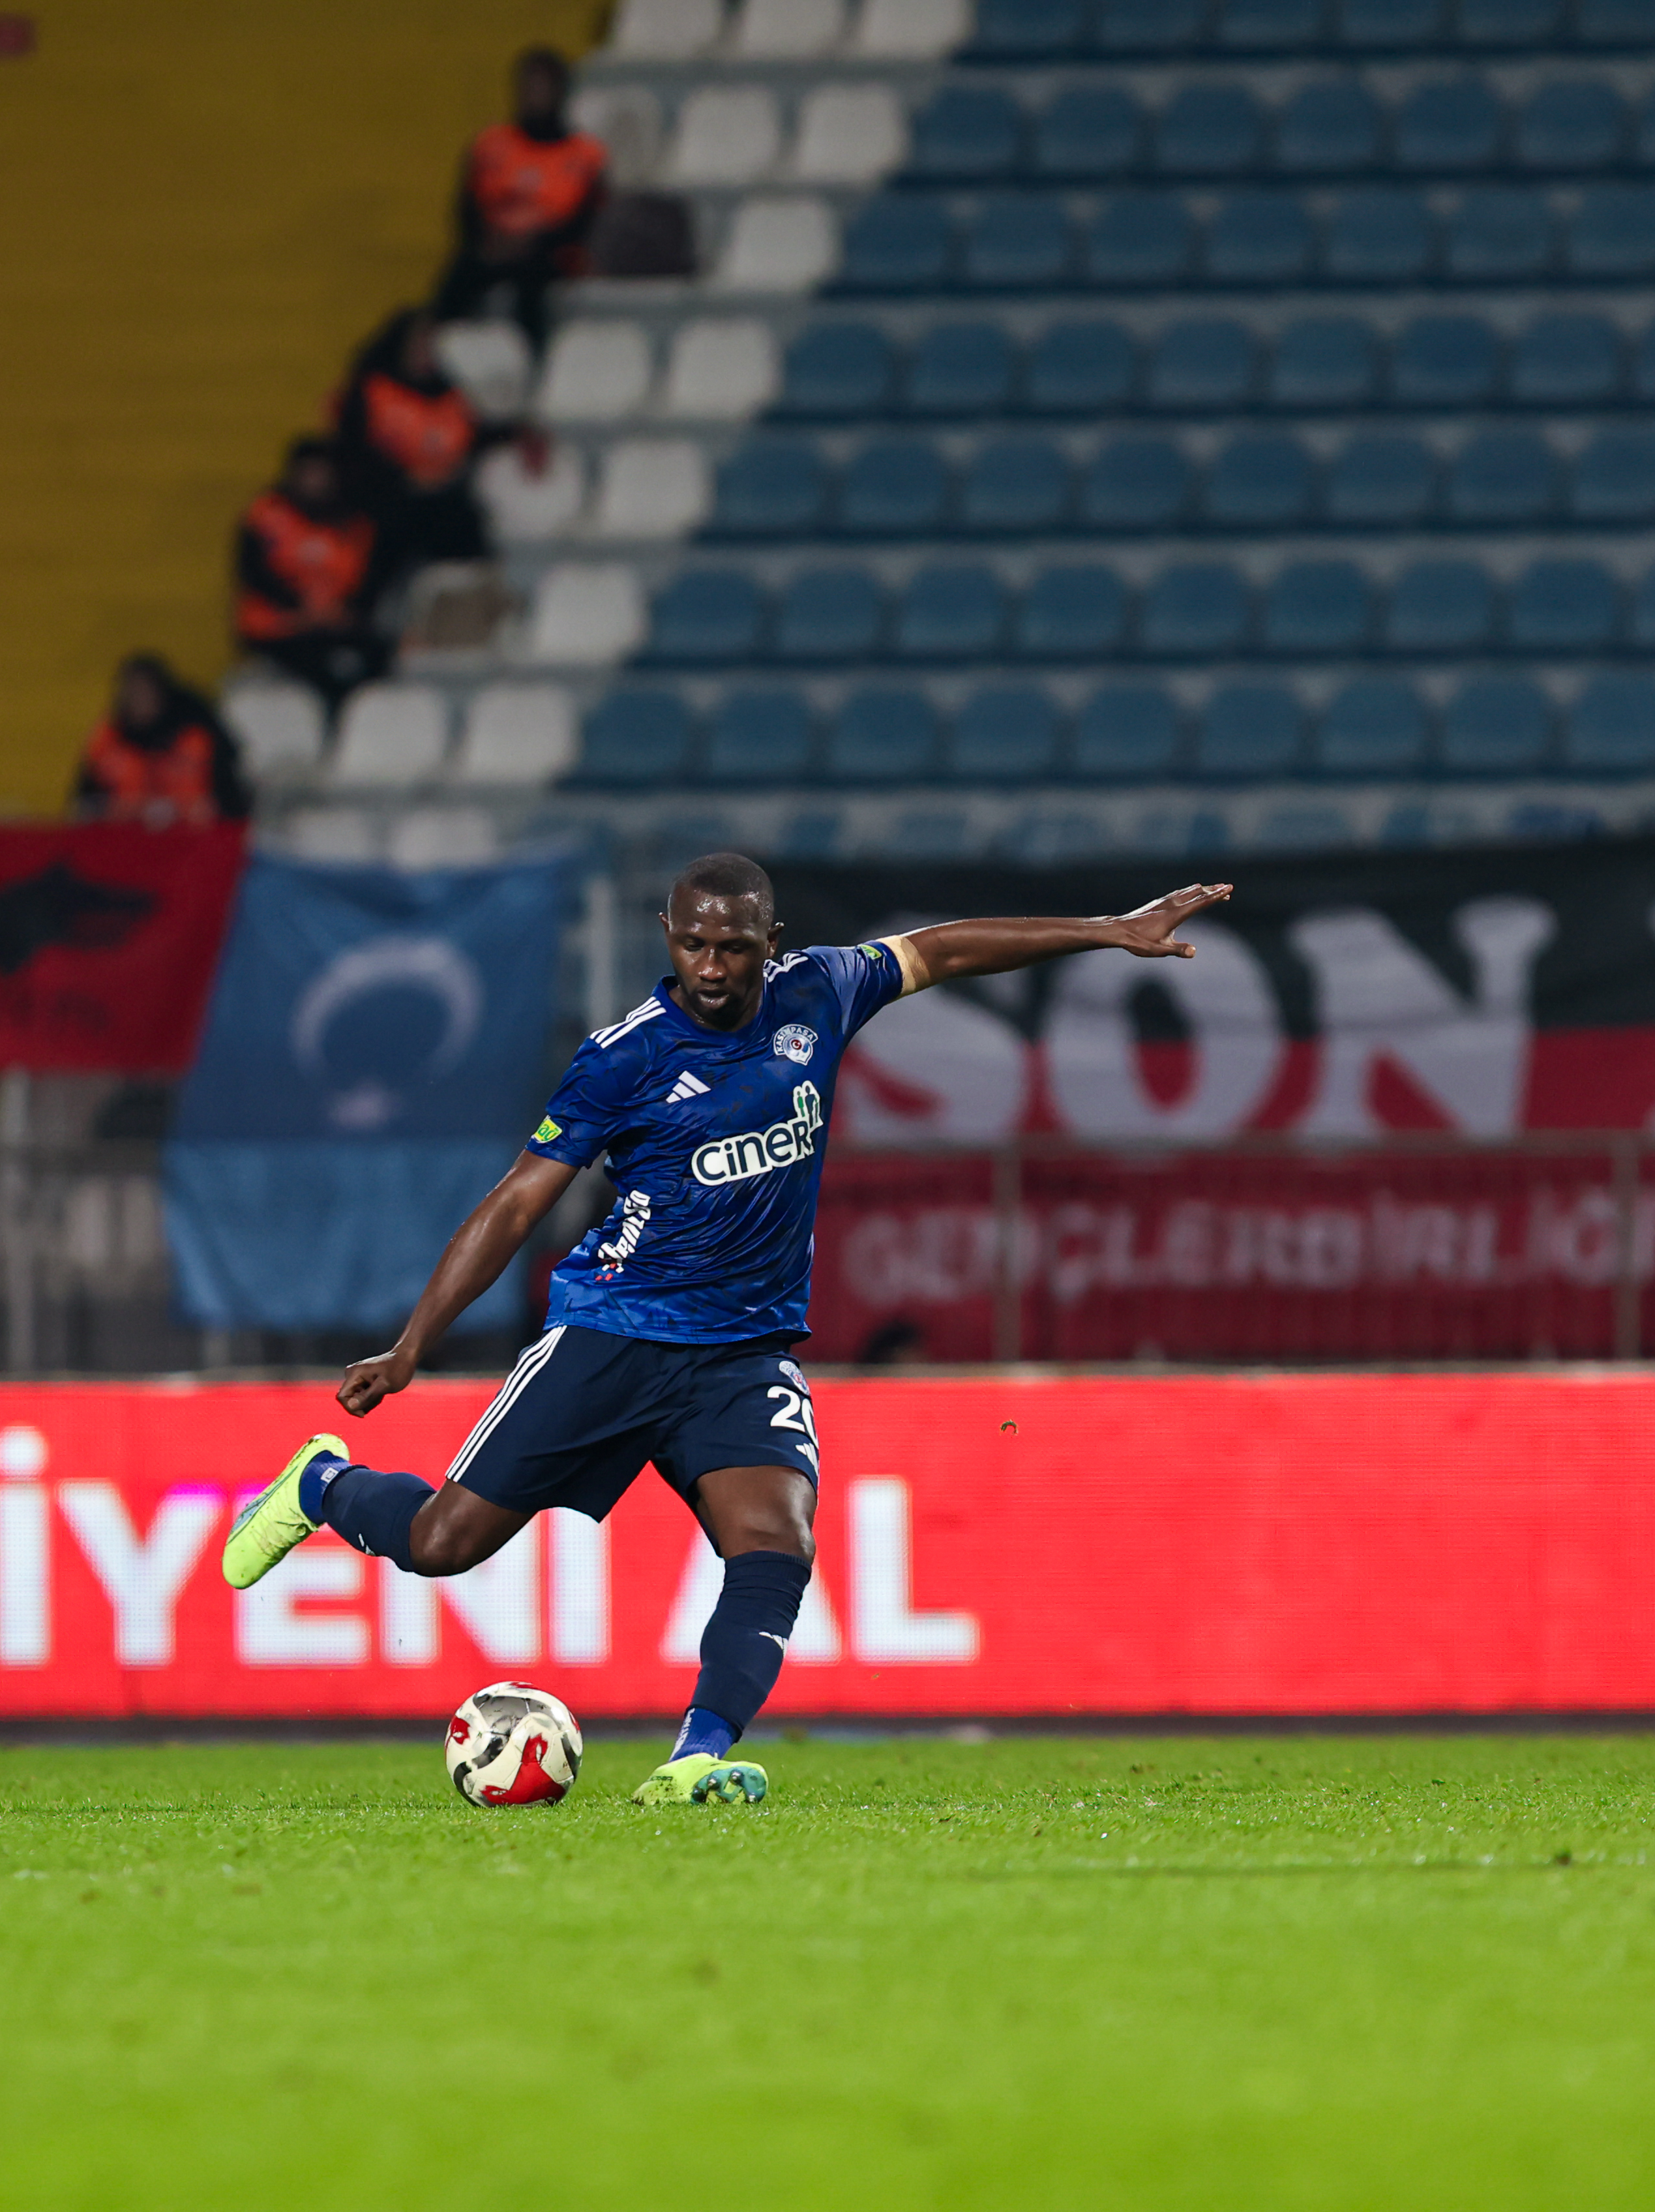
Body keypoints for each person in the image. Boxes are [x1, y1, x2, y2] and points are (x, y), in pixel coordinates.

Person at [221, 855, 1233, 1806]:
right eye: (694, 944)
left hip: (742, 1352)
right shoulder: (623, 1059)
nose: (711, 966)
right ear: (667, 936)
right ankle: (321, 1485)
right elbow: (518, 1201)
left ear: (768, 942)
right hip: (615, 1332)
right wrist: (412, 1346)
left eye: (734, 946)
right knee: (443, 1544)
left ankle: (694, 1759)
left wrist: (1107, 930)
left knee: (776, 1541)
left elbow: (944, 948)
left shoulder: (820, 992)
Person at [335, 305, 545, 566]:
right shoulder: (372, 391)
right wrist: (403, 477)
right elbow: (350, 451)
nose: (425, 352)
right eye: (418, 344)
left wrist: (517, 434)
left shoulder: (451, 392)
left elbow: (474, 437)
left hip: (444, 498)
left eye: (431, 344)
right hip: (387, 500)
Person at [431, 46, 606, 357]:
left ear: (561, 93)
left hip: (550, 256)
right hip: (493, 249)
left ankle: (534, 362)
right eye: (528, 88)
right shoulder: (491, 145)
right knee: (455, 281)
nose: (533, 97)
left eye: (542, 88)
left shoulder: (585, 154)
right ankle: (438, 359)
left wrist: (535, 242)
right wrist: (490, 242)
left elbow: (585, 220)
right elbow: (467, 207)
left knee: (532, 286)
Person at [233, 437, 390, 710]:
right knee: (321, 672)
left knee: (377, 658)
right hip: (278, 627)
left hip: (332, 623)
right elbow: (252, 571)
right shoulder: (266, 515)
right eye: (308, 473)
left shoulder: (354, 521)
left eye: (322, 473)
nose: (315, 481)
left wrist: (346, 610)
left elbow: (368, 577)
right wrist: (298, 606)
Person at [72, 653, 250, 826]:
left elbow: (231, 804)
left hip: (193, 838)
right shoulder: (109, 740)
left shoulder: (197, 736)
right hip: (126, 838)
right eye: (132, 694)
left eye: (146, 693)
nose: (139, 702)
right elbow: (84, 804)